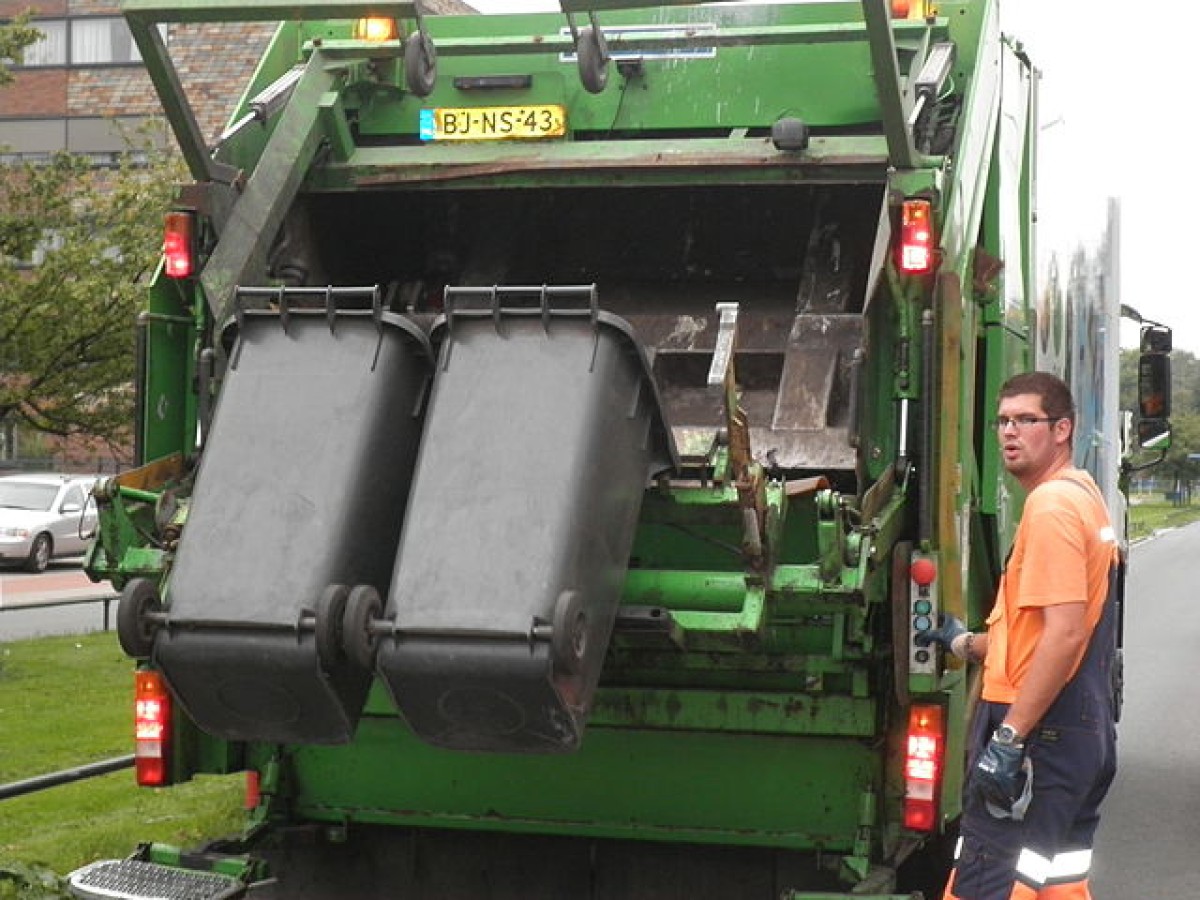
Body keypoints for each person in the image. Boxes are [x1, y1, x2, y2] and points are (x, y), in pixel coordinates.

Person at [920, 371, 1119, 899]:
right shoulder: (1086, 496)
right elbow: (1043, 636)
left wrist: (1009, 738)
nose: (1010, 432)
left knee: (989, 882)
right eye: (1003, 421)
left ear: (1062, 429)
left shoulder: (1050, 506)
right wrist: (967, 643)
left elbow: (1065, 635)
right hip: (1080, 726)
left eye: (1026, 420)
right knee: (1054, 882)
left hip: (1038, 732)